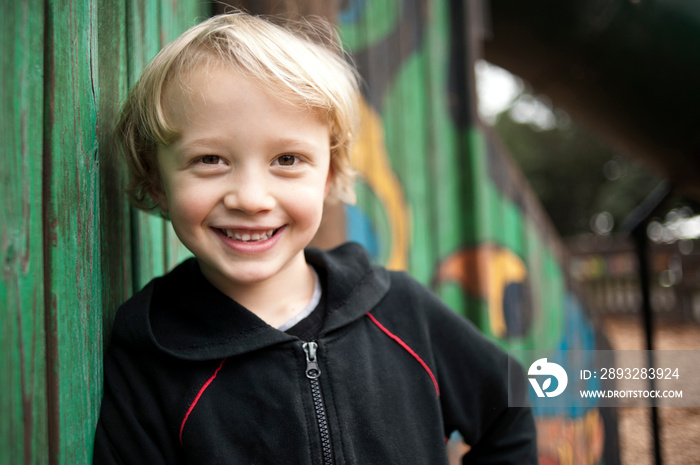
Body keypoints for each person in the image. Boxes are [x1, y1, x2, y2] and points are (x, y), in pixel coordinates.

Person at [93, 11, 537, 465]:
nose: (251, 198)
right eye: (210, 159)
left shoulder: (402, 313)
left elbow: (509, 403)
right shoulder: (151, 357)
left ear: (329, 176)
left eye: (287, 159)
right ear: (155, 181)